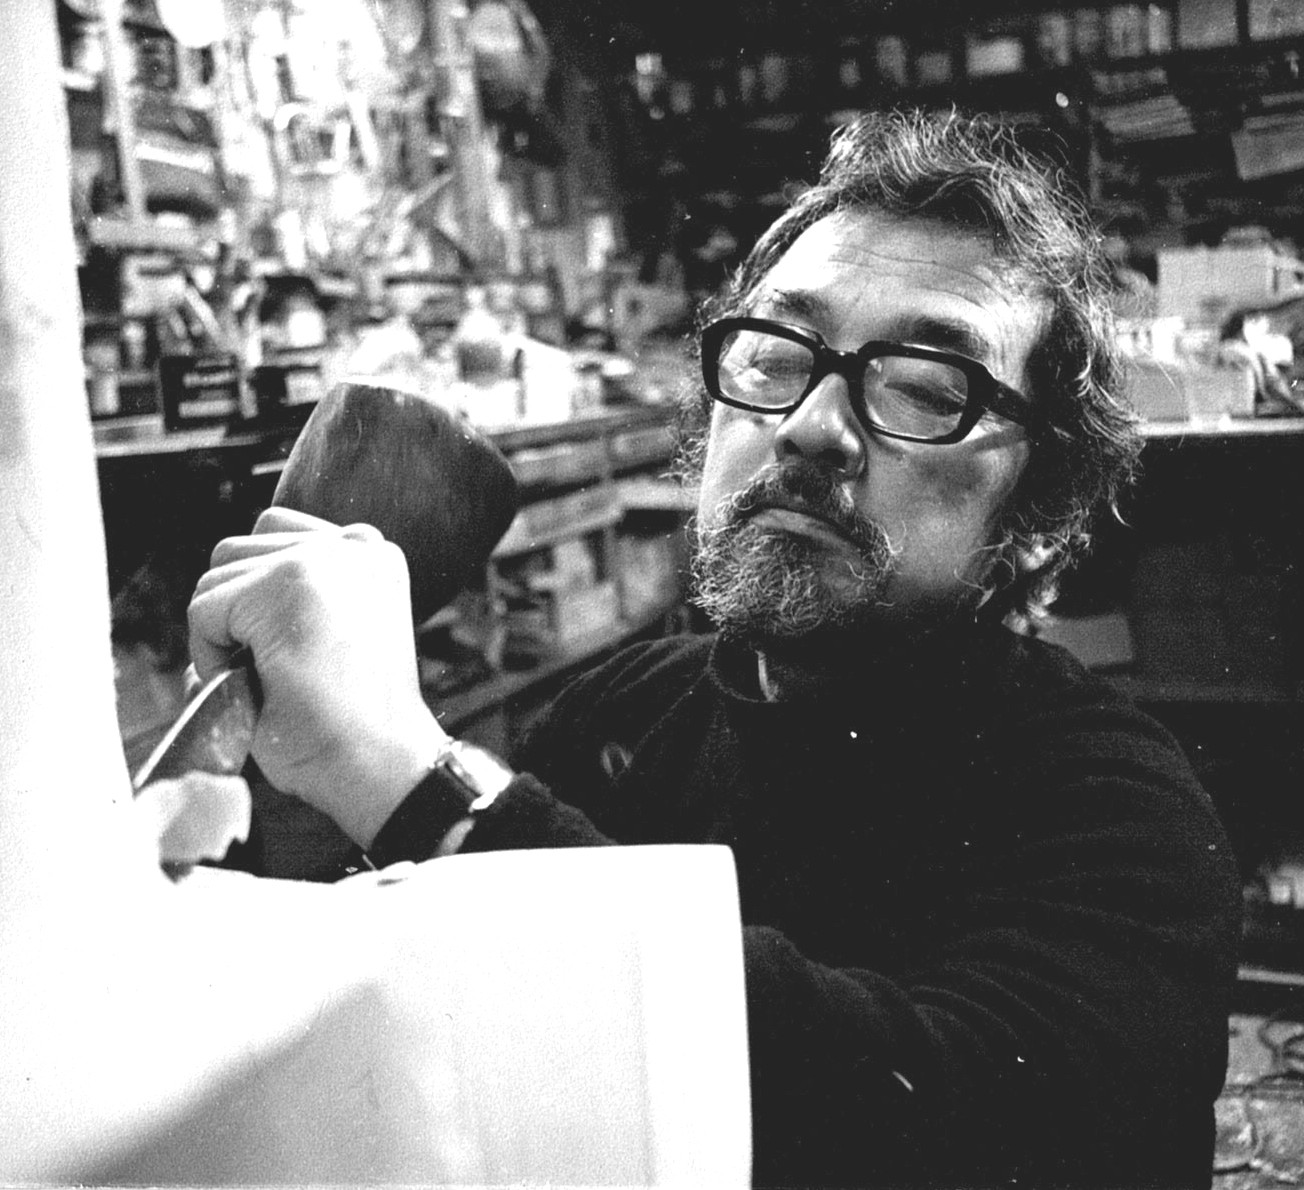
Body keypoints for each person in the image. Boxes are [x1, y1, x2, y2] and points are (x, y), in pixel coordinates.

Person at [188, 110, 1241, 1188]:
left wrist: (421, 784)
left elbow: (936, 1121)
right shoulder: (621, 712)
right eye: (774, 356)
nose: (810, 428)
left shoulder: (1120, 810)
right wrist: (285, 783)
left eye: (925, 389)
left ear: (1036, 509)